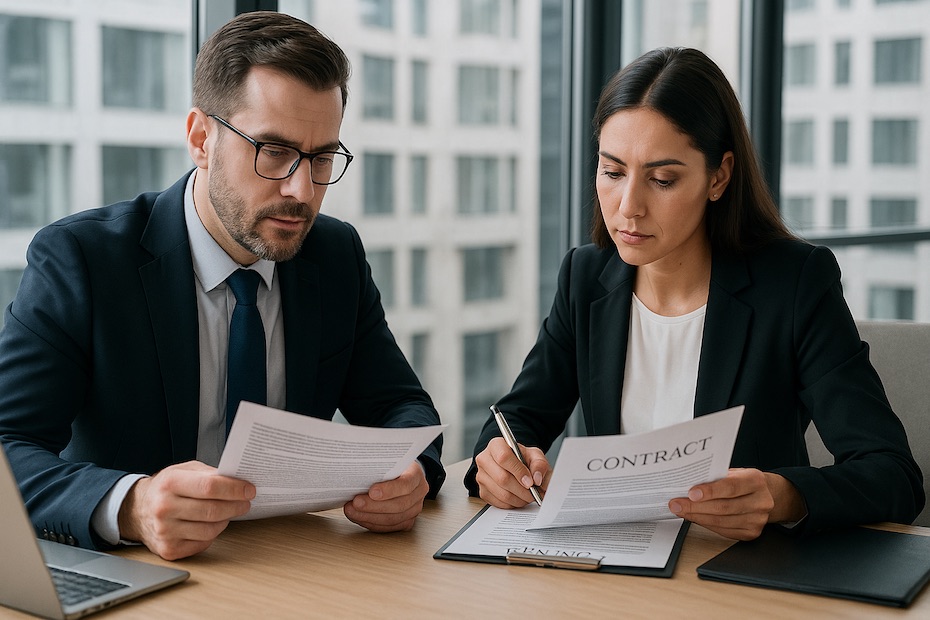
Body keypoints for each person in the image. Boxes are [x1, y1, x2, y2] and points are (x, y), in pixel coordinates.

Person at [0, 11, 445, 561]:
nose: (302, 190)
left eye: (323, 157)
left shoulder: (334, 255)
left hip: (292, 567)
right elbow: (7, 447)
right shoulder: (82, 260)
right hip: (144, 573)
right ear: (200, 138)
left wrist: (410, 476)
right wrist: (130, 504)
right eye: (274, 152)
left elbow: (401, 407)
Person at [466, 47, 924, 540]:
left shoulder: (794, 284)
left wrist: (782, 496)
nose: (629, 207)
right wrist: (497, 463)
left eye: (662, 179)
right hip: (615, 571)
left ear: (719, 176)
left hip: (740, 579)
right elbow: (513, 422)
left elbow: (892, 474)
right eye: (612, 172)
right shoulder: (585, 277)